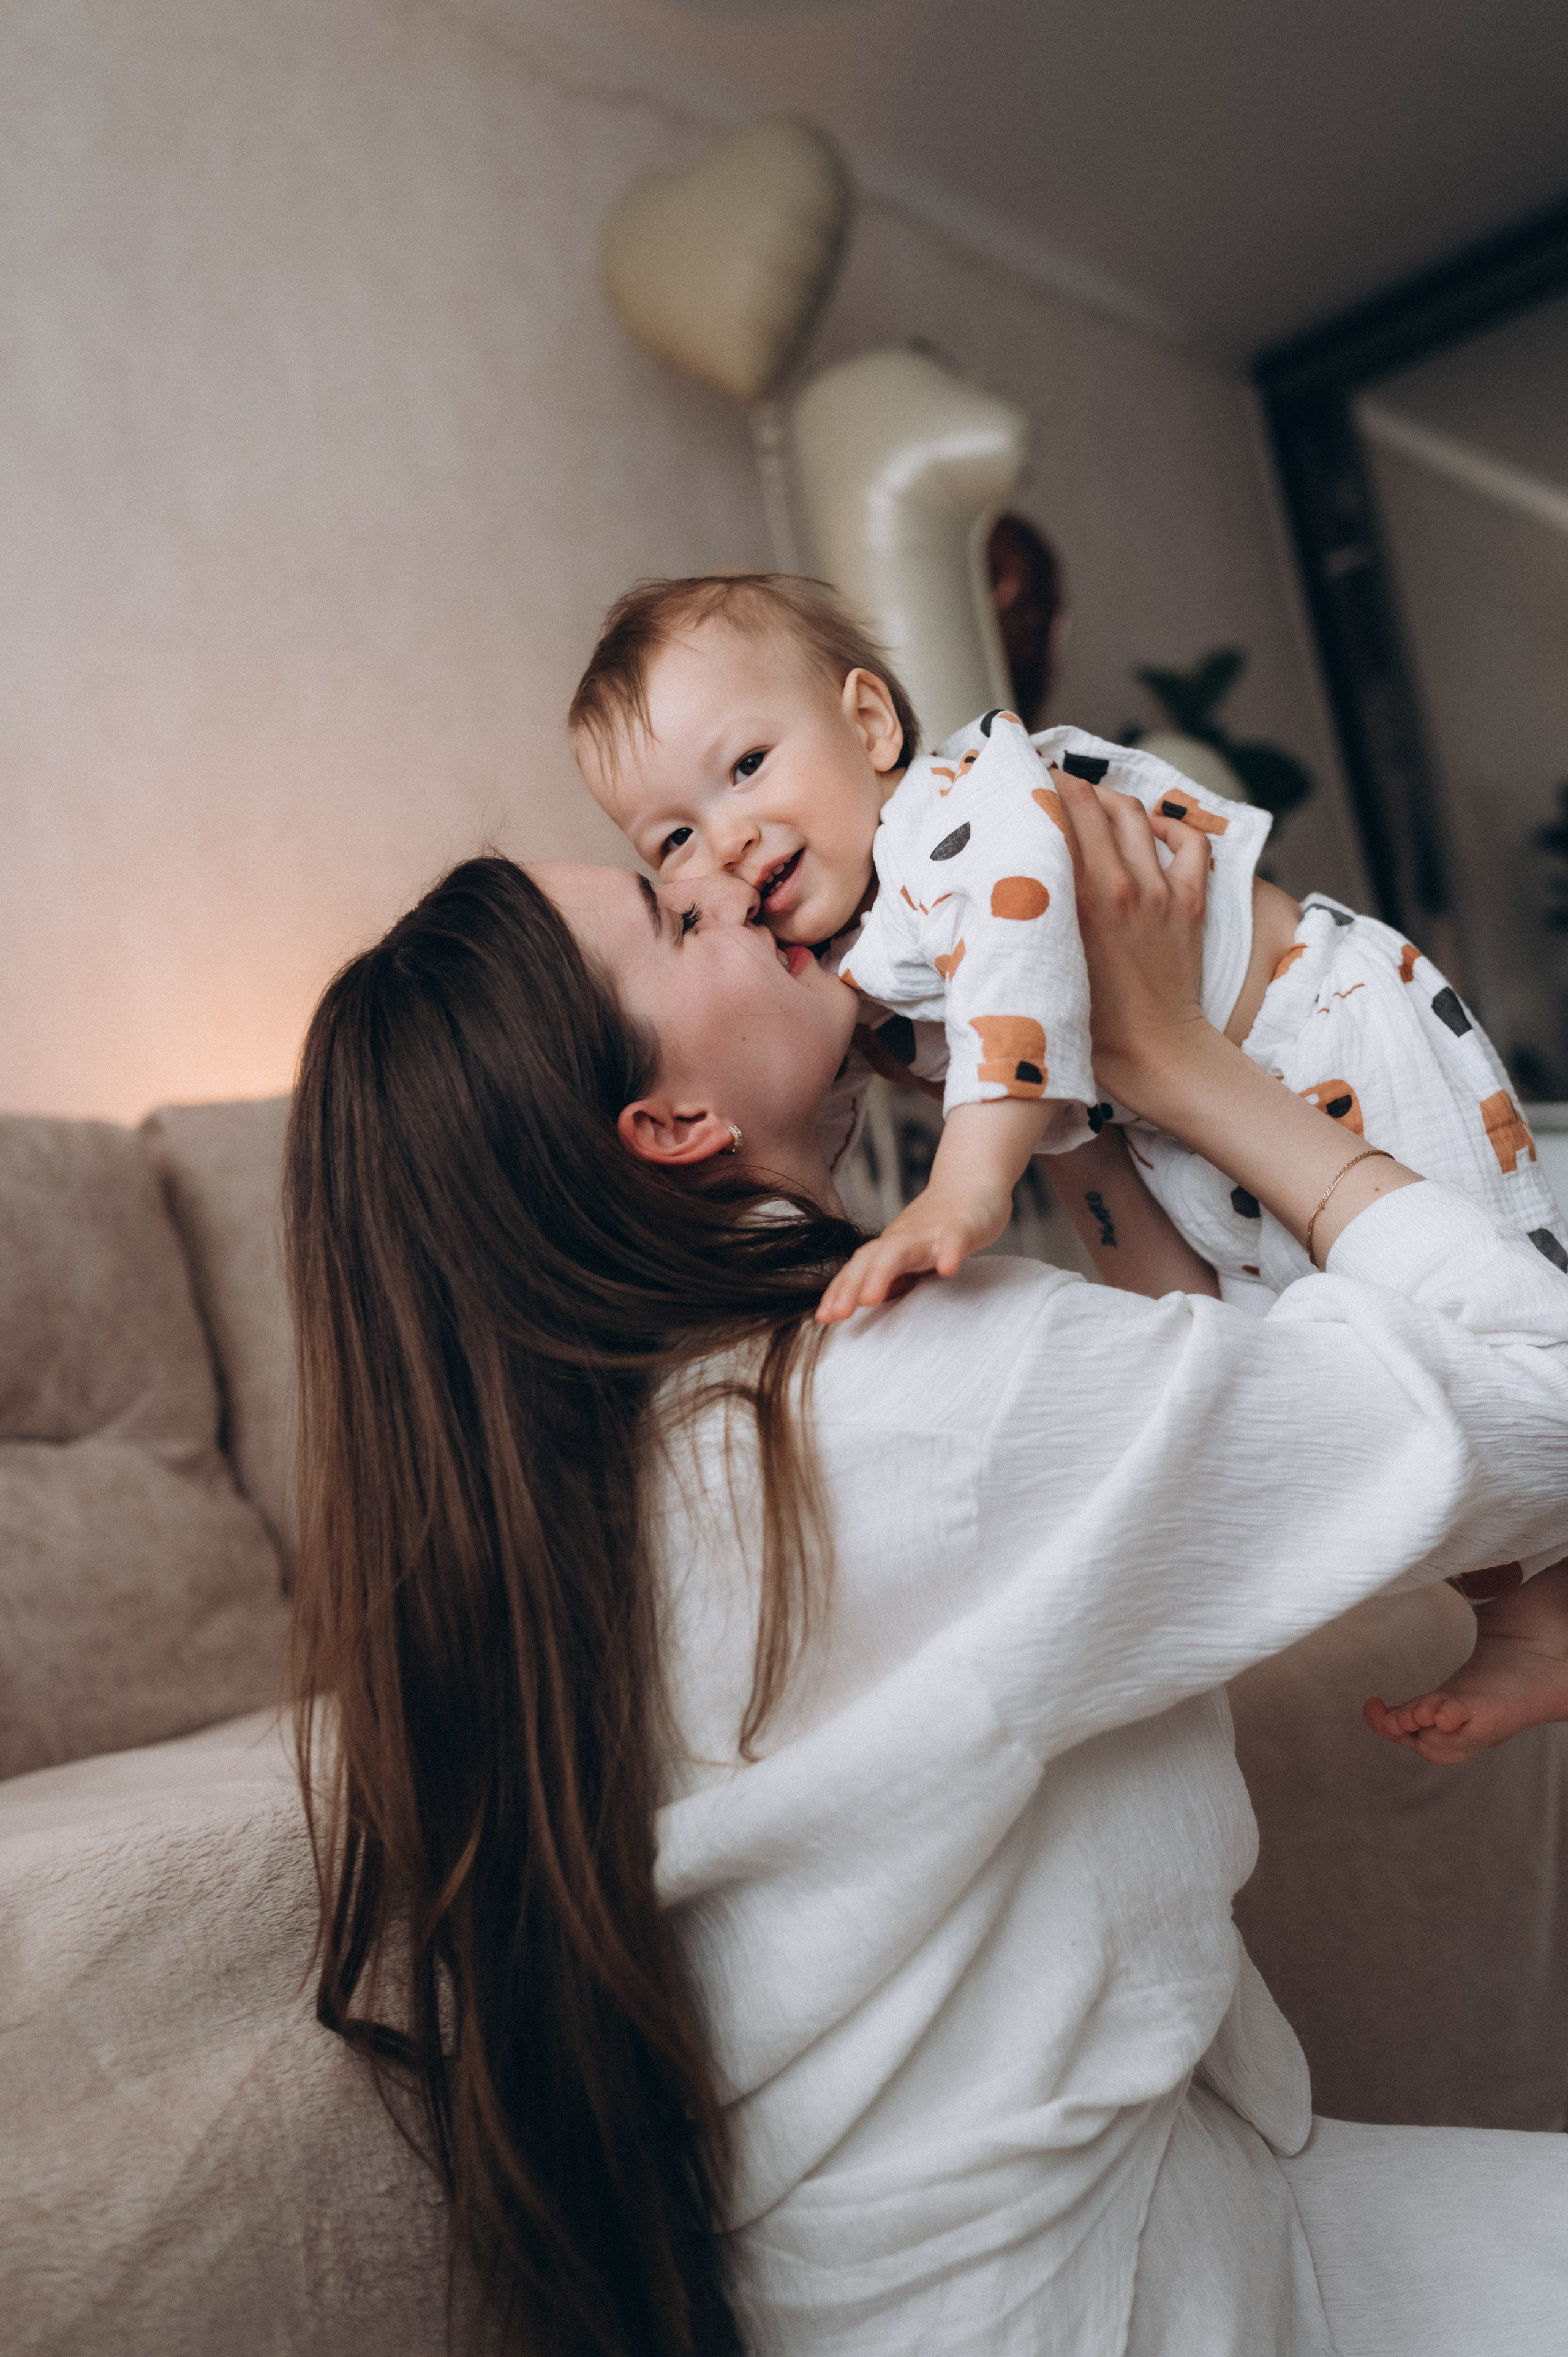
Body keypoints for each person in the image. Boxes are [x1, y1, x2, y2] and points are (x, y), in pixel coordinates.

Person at [285, 779, 1568, 2357]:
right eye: (679, 916)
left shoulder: (603, 1484)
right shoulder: (901, 1403)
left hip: (1094, 2244)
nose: (750, 883)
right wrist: (1174, 1053)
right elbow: (1543, 1396)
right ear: (673, 1123)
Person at [569, 571, 1568, 1765]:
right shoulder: (856, 942)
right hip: (1198, 1120)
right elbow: (1124, 1210)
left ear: (872, 728)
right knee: (1367, 1354)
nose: (723, 846)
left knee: (1482, 1310)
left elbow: (1017, 961)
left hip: (1328, 1022)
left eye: (744, 768)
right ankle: (1529, 1611)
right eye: (672, 844)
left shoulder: (954, 815)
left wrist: (966, 1180)